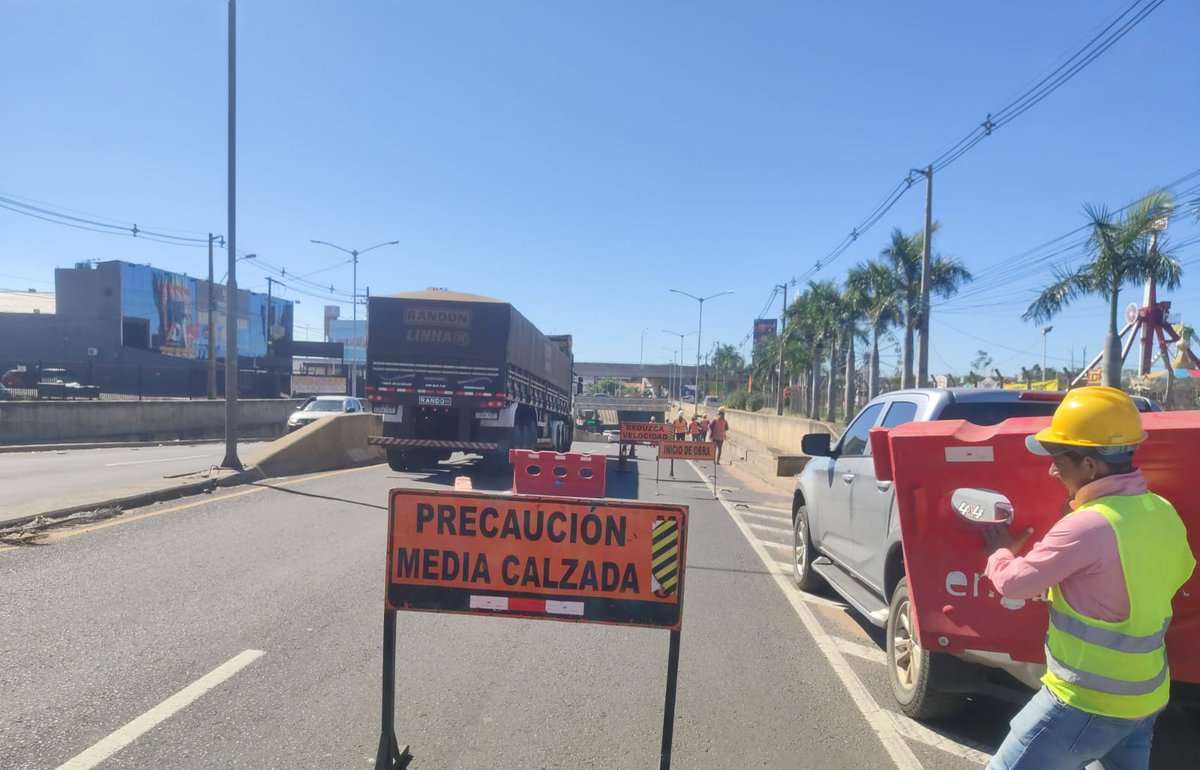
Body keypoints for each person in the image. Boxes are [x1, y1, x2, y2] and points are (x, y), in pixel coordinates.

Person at [982, 387, 1195, 770]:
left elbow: (1015, 584)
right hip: (1145, 698)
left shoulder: (1086, 527)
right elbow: (1181, 569)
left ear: (1090, 466)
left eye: (1059, 459)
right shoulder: (1160, 509)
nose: (1052, 469)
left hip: (1083, 702)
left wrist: (1000, 553)